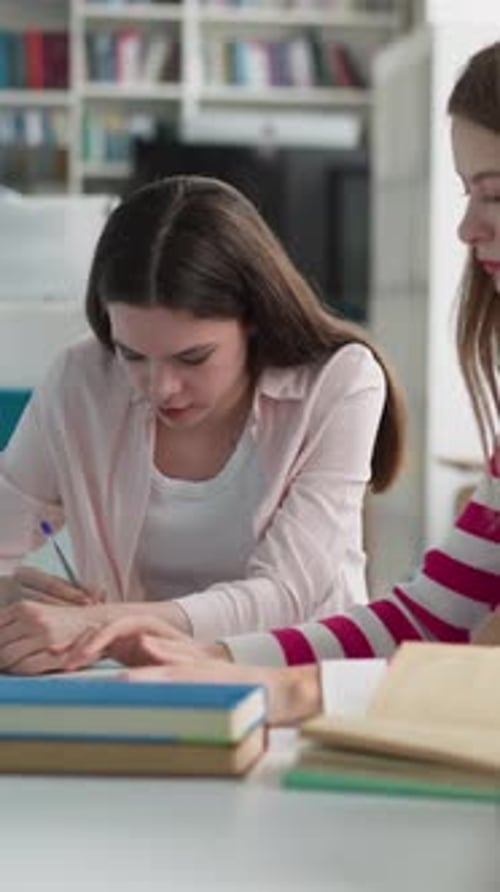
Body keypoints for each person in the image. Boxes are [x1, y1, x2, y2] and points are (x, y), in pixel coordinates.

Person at [55, 40, 500, 725]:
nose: (467, 228)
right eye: (468, 192)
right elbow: (433, 618)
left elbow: (474, 671)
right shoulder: (79, 378)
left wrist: (296, 690)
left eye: (493, 194)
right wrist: (222, 661)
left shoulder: (341, 380)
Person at [0, 175, 405, 675]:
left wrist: (105, 624)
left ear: (254, 317)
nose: (160, 387)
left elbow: (287, 594)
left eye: (192, 357)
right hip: (145, 689)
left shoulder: (339, 381)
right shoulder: (82, 378)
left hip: (302, 686)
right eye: (132, 355)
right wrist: (9, 596)